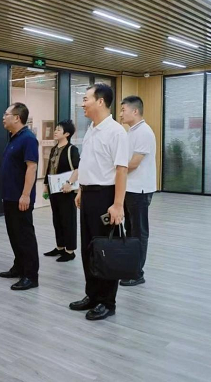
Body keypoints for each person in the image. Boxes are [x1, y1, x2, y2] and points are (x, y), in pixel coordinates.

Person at [70, 84, 129, 321]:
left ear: (101, 101)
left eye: (86, 99)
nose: (82, 104)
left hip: (106, 197)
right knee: (89, 249)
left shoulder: (116, 132)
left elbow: (121, 170)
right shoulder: (92, 129)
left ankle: (107, 301)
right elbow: (88, 163)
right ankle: (92, 295)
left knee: (105, 251)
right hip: (88, 195)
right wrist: (81, 190)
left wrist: (118, 204)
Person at [0, 102, 40, 291]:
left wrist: (25, 195)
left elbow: (32, 167)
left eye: (6, 114)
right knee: (14, 235)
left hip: (20, 198)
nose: (3, 117)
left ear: (17, 118)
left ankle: (30, 276)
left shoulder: (28, 139)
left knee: (24, 236)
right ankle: (19, 267)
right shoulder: (14, 137)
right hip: (9, 197)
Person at [119, 96, 157, 287]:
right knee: (131, 230)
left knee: (139, 232)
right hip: (130, 188)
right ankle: (130, 268)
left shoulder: (144, 132)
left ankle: (137, 273)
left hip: (139, 190)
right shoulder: (131, 131)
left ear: (135, 111)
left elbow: (133, 163)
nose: (120, 114)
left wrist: (116, 173)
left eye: (123, 110)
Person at [42, 120, 80, 262]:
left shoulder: (72, 149)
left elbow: (78, 168)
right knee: (57, 219)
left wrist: (69, 183)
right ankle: (60, 247)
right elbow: (49, 168)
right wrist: (46, 185)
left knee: (68, 220)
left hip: (67, 191)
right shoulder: (54, 149)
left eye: (59, 129)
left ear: (67, 134)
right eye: (56, 129)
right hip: (54, 189)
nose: (55, 131)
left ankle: (70, 251)